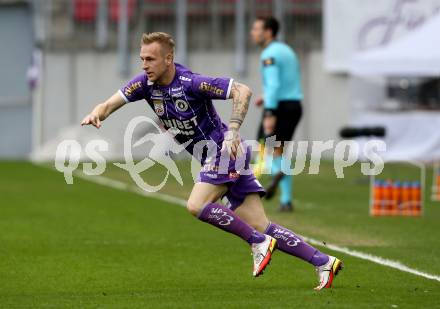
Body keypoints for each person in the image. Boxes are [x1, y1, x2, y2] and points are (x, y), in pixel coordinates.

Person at [81, 32, 342, 290]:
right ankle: (323, 261)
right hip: (221, 157)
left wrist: (233, 129)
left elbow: (243, 91)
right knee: (262, 223)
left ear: (168, 58)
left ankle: (256, 242)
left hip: (223, 152)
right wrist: (96, 113)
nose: (144, 65)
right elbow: (108, 104)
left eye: (150, 59)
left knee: (196, 205)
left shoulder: (192, 83)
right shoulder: (144, 85)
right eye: (142, 59)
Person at [250, 16, 304, 212]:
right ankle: (286, 201)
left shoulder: (269, 54)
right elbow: (286, 81)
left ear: (268, 32)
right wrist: (266, 96)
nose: (252, 33)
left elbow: (273, 83)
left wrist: (270, 111)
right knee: (279, 150)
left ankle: (271, 175)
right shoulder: (286, 50)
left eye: (256, 29)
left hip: (278, 108)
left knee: (264, 148)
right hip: (294, 105)